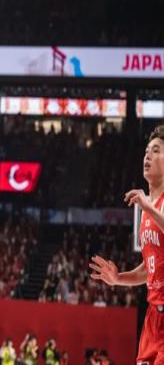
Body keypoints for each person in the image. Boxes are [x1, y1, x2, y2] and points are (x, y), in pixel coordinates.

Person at [90, 125, 164, 365]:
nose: (148, 155)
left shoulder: (151, 207)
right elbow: (148, 269)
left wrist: (148, 206)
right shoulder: (147, 210)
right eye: (146, 151)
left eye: (156, 150)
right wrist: (117, 279)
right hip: (153, 316)